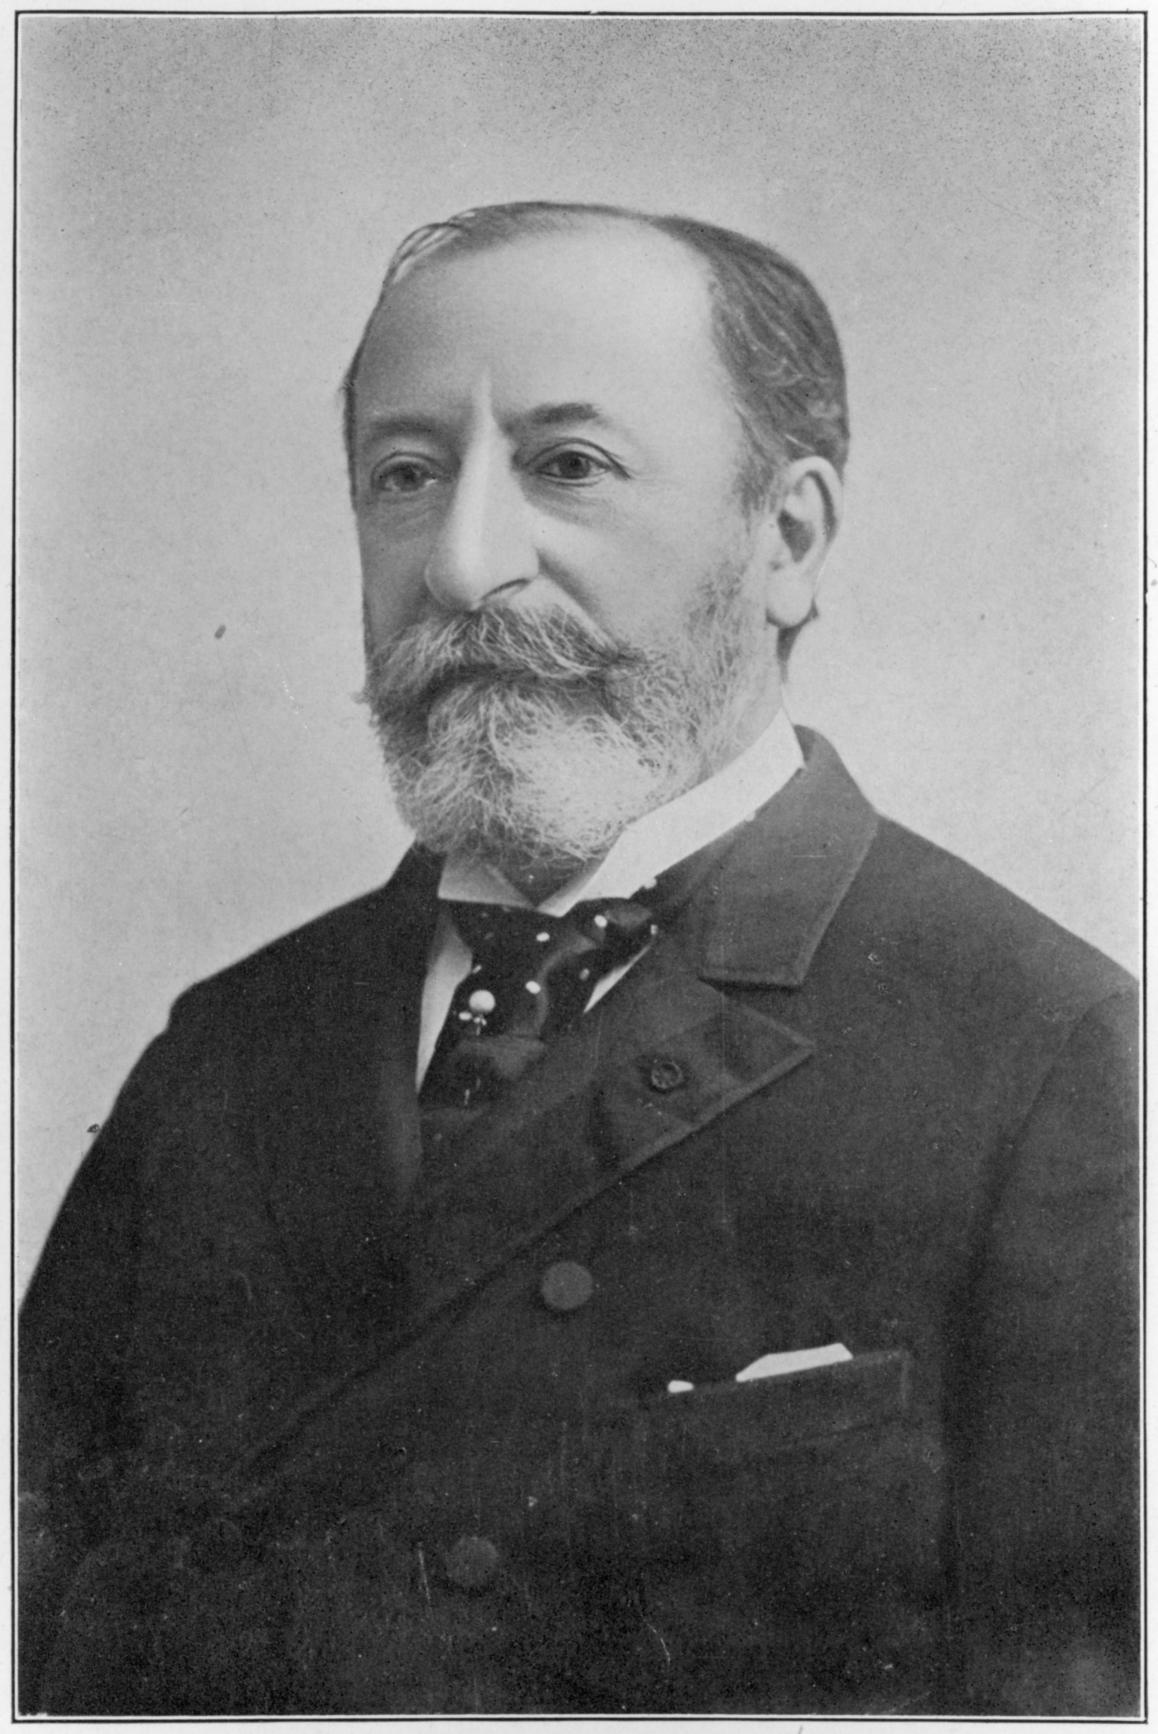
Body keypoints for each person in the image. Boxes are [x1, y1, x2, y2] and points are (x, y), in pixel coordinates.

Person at [19, 200, 1138, 1716]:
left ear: (787, 538)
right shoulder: (225, 1050)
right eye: (406, 475)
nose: (462, 565)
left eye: (569, 466)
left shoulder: (1050, 1052)